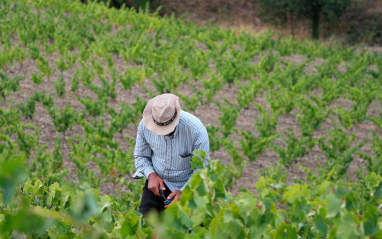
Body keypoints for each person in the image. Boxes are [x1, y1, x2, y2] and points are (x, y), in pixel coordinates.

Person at [132, 93, 210, 217]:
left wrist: (184, 192)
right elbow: (141, 156)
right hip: (157, 184)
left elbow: (202, 168)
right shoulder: (144, 125)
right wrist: (151, 175)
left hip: (188, 185)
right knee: (143, 228)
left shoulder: (196, 131)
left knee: (190, 232)